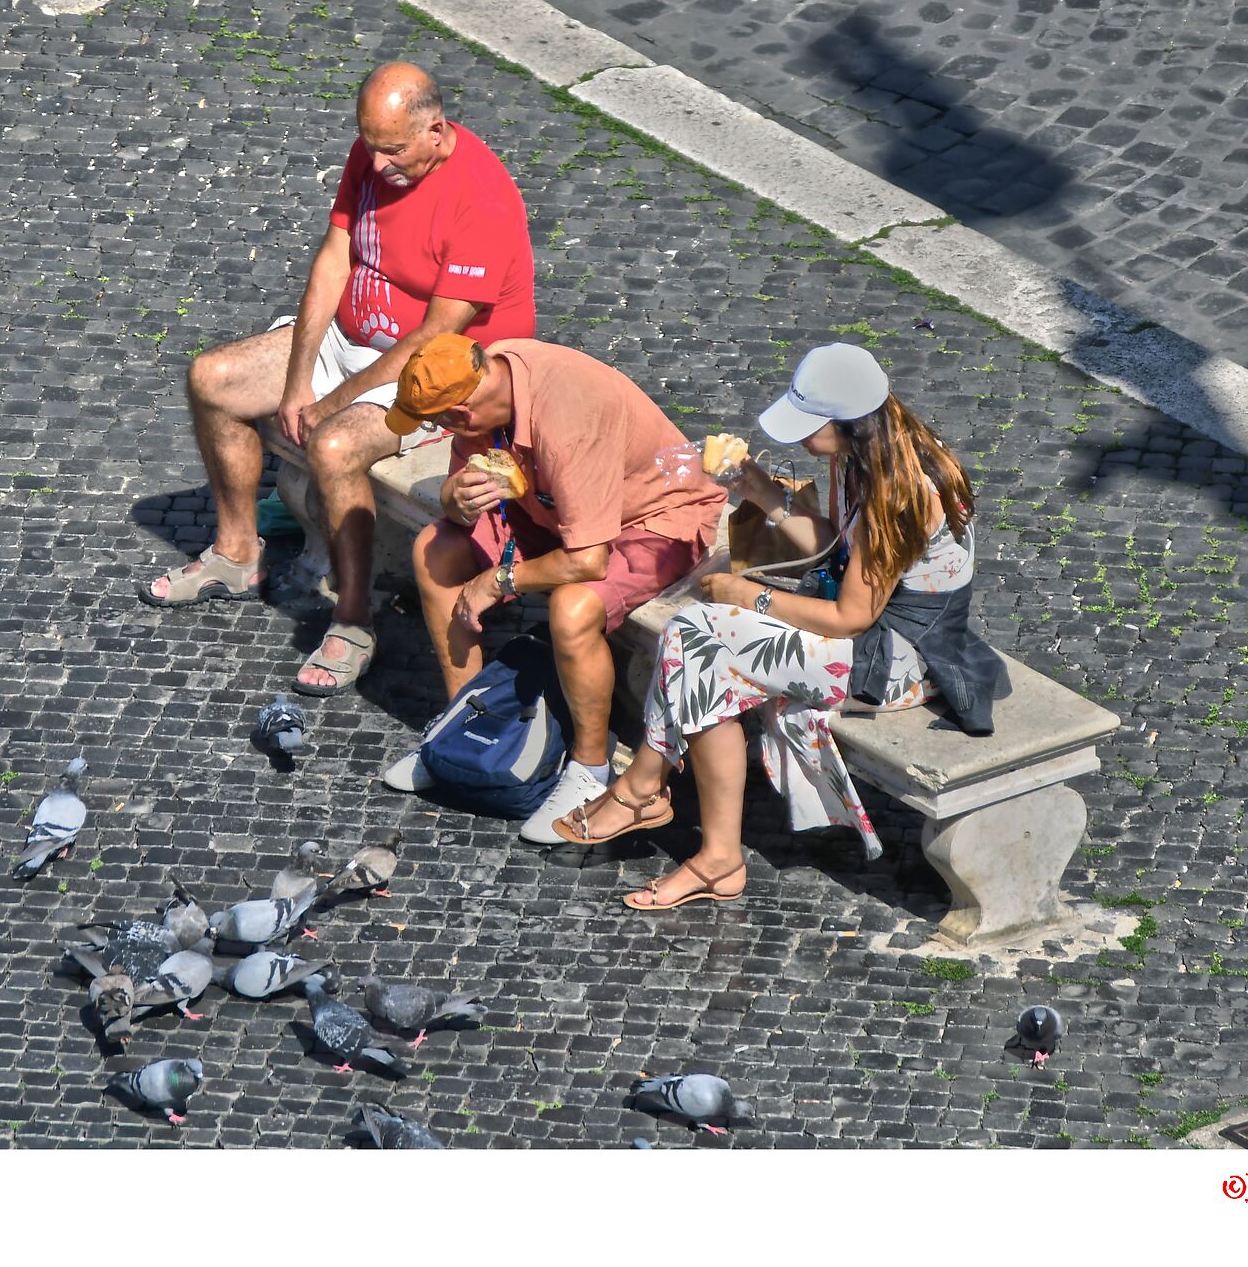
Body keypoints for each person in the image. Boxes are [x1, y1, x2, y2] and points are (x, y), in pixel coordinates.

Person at [552, 343, 1007, 908]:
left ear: (849, 424)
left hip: (899, 659)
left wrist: (753, 596)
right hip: (871, 630)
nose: (798, 439)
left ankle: (655, 794)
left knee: (697, 635)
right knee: (699, 643)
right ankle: (691, 832)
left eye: (809, 425)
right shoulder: (871, 453)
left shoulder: (900, 491)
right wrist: (764, 493)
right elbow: (841, 548)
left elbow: (851, 617)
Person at [138, 63, 536, 694]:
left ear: (436, 130)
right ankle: (238, 552)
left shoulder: (480, 199)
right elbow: (334, 258)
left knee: (334, 444)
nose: (377, 165)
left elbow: (432, 340)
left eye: (394, 150)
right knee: (212, 378)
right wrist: (300, 379)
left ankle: (353, 618)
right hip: (352, 340)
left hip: (433, 379)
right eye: (370, 146)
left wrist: (332, 403)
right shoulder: (379, 150)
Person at [378, 335, 727, 843]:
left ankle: (589, 769)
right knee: (437, 550)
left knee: (572, 607)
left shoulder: (567, 418)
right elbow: (459, 499)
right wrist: (456, 498)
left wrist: (497, 582)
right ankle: (465, 728)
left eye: (435, 422)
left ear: (459, 412)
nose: (436, 431)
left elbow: (588, 561)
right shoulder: (489, 383)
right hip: (555, 508)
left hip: (653, 521)